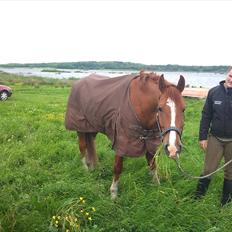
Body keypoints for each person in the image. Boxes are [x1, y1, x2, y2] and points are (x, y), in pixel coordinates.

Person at [195, 66, 232, 206]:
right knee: (208, 170)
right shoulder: (214, 92)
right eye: (230, 76)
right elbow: (206, 116)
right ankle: (197, 199)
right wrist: (202, 137)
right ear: (226, 75)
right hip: (215, 138)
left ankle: (226, 202)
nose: (231, 80)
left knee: (230, 173)